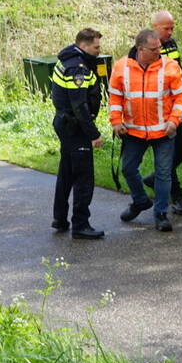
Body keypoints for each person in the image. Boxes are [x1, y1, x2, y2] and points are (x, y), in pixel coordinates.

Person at [109, 29, 182, 232]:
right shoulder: (121, 67)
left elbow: (181, 96)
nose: (158, 52)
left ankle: (161, 214)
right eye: (153, 49)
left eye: (159, 48)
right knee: (128, 168)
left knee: (163, 173)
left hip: (164, 131)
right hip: (134, 131)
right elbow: (116, 96)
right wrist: (116, 121)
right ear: (140, 49)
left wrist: (174, 121)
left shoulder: (170, 66)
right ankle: (140, 201)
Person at [139, 10, 182, 215]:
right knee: (167, 152)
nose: (170, 32)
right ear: (155, 27)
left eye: (172, 28)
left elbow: (179, 71)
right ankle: (177, 198)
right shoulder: (142, 49)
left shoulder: (171, 45)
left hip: (176, 106)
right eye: (166, 28)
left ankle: (156, 178)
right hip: (157, 111)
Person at [50, 28, 105, 239]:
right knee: (83, 178)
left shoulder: (69, 59)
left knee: (66, 173)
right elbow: (79, 105)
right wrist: (93, 134)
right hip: (75, 128)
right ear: (83, 45)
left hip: (66, 124)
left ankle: (60, 218)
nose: (99, 51)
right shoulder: (77, 68)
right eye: (96, 47)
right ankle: (81, 225)